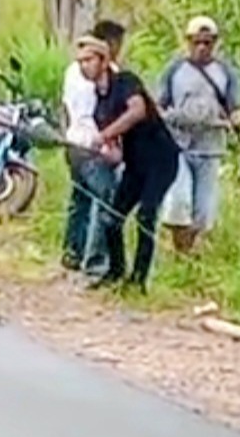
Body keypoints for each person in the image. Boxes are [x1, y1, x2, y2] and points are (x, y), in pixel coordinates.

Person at [76, 35, 179, 292]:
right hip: (135, 164)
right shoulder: (99, 104)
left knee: (146, 216)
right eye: (80, 62)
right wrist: (100, 152)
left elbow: (137, 111)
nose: (84, 66)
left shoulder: (125, 81)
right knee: (111, 218)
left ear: (104, 61)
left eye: (89, 60)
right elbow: (117, 154)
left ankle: (139, 280)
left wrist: (104, 135)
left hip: (161, 159)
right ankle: (116, 271)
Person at [158, 16, 240, 253]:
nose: (202, 48)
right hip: (178, 145)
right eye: (197, 42)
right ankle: (179, 245)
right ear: (188, 42)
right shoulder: (174, 70)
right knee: (179, 200)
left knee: (204, 209)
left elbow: (235, 105)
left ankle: (189, 249)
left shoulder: (225, 72)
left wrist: (237, 119)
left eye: (207, 42)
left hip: (210, 146)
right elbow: (159, 103)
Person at [61, 20, 126, 274]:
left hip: (73, 142)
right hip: (94, 146)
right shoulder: (107, 73)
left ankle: (73, 251)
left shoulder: (72, 70)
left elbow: (66, 108)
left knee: (80, 199)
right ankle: (96, 262)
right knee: (105, 200)